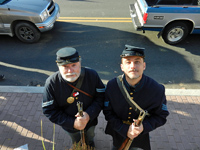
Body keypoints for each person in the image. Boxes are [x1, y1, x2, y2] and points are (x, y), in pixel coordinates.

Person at [103, 45, 169, 150]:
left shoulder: (156, 89)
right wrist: (124, 129)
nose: (133, 66)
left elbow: (161, 116)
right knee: (116, 147)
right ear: (122, 67)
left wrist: (144, 127)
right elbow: (108, 112)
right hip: (118, 131)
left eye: (137, 62)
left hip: (140, 135)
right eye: (128, 62)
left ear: (144, 66)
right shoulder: (112, 86)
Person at [42, 47, 105, 148]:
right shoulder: (51, 83)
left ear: (80, 63)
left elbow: (101, 97)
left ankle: (90, 144)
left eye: (74, 65)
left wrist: (89, 115)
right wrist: (73, 123)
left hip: (90, 121)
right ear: (58, 66)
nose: (70, 70)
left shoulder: (92, 75)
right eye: (65, 66)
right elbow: (48, 110)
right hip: (70, 127)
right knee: (75, 139)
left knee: (90, 135)